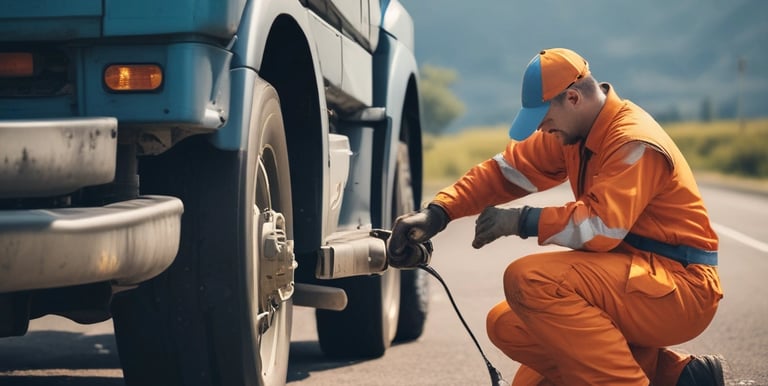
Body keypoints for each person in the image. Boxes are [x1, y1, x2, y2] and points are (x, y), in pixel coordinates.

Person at [388, 48, 725, 385]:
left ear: (573, 98)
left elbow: (601, 226)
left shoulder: (632, 141)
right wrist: (438, 213)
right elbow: (504, 172)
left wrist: (520, 221)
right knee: (507, 324)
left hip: (680, 288)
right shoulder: (576, 135)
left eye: (545, 120)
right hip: (634, 281)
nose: (543, 129)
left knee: (531, 279)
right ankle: (679, 378)